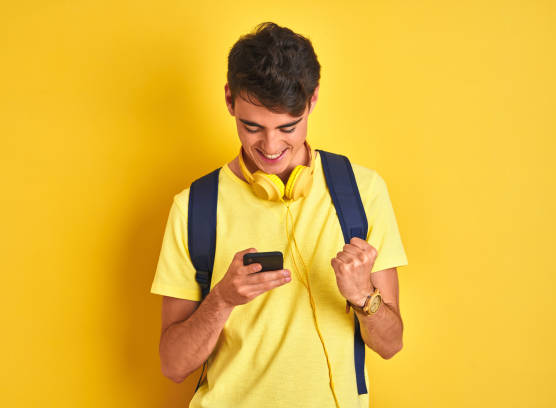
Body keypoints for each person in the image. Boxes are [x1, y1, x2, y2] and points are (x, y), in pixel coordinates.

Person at [150, 21, 408, 408]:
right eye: (251, 127)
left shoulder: (363, 191)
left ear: (313, 100)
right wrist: (222, 298)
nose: (270, 147)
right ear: (229, 100)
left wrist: (361, 295)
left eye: (288, 127)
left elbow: (390, 344)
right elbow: (173, 366)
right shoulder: (193, 207)